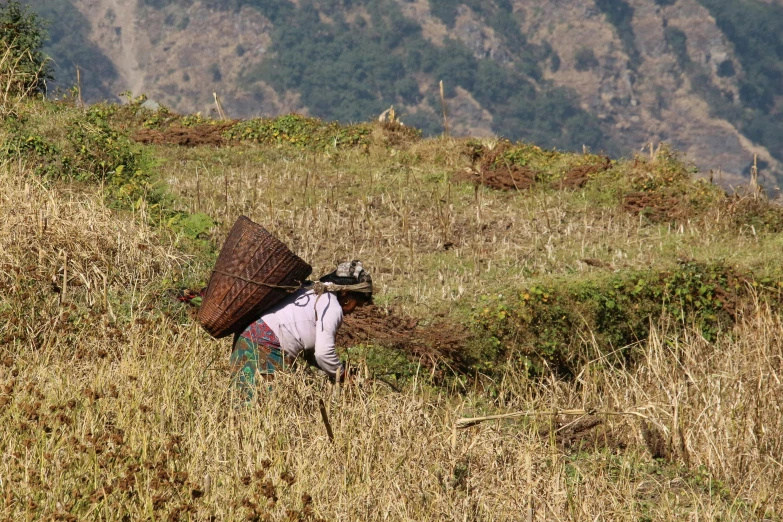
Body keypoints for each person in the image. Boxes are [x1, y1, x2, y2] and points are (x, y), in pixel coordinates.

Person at [230, 260, 372, 400]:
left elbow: (312, 352)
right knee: (263, 407)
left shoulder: (311, 290)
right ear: (346, 295)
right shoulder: (333, 307)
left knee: (243, 405)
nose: (353, 311)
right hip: (266, 349)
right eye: (357, 304)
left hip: (245, 338)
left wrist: (335, 369)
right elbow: (324, 354)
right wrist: (344, 377)